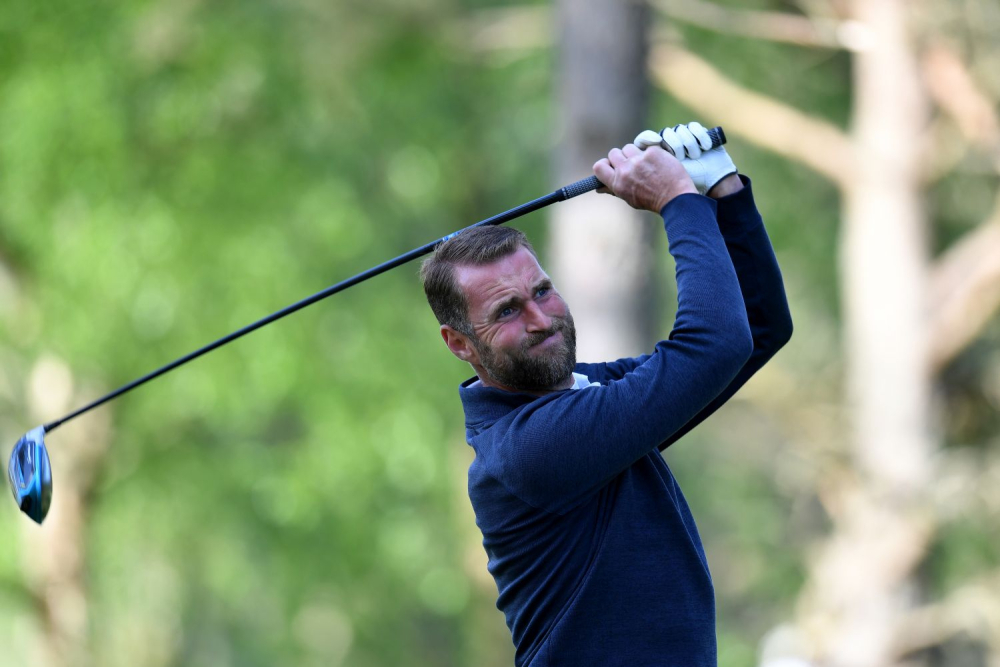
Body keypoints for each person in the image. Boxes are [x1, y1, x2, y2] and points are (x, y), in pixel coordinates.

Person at [420, 122, 793, 667]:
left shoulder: (587, 396)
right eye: (507, 310)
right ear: (459, 343)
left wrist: (723, 191)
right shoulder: (530, 449)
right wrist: (677, 201)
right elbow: (712, 346)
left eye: (542, 291)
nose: (540, 319)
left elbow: (756, 331)